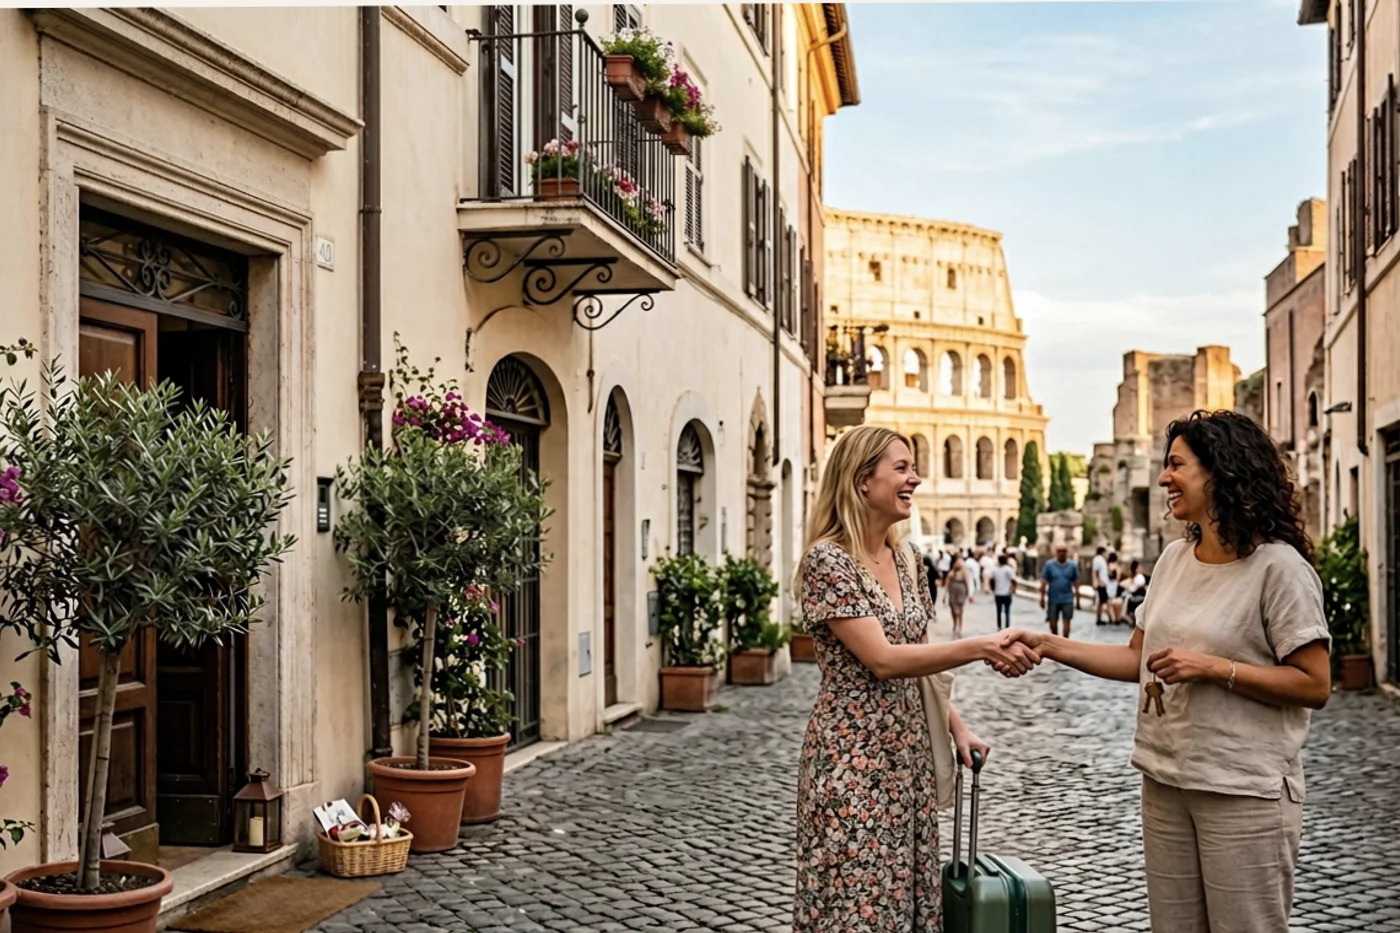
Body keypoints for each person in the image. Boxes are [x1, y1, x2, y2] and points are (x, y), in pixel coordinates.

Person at [1000, 410, 1331, 933]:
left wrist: (1212, 668)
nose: (1163, 478)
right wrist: (1050, 645)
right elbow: (1137, 658)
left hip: (1243, 788)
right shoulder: (1175, 559)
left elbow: (1314, 683)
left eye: (1176, 465)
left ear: (1221, 471)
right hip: (1164, 779)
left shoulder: (1280, 568)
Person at [794, 424, 1041, 932]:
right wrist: (981, 646)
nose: (916, 479)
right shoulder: (828, 561)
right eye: (902, 468)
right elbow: (884, 660)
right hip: (852, 758)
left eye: (914, 468)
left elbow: (920, 663)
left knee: (907, 894)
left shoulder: (907, 559)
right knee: (857, 901)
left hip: (910, 760)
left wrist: (957, 728)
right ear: (862, 480)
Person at [1039, 543, 1080, 638]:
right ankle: (1056, 638)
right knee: (1052, 622)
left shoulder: (1072, 566)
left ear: (1067, 552)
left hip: (1067, 599)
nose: (1062, 553)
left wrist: (1078, 599)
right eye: (1059, 551)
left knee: (1067, 621)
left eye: (1064, 551)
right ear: (1055, 552)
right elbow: (1043, 581)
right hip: (1053, 599)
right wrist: (1042, 598)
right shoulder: (1049, 565)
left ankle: (1065, 640)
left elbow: (1076, 583)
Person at [944, 553, 974, 638]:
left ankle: (960, 625)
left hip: (961, 591)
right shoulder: (952, 572)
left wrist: (969, 594)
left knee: (960, 608)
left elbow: (967, 582)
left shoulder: (964, 572)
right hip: (952, 592)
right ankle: (955, 623)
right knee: (953, 608)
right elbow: (947, 583)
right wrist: (945, 594)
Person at [989, 554, 1017, 631]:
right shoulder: (1008, 569)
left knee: (998, 611)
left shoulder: (994, 570)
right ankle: (1007, 626)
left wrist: (993, 589)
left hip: (998, 593)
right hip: (1007, 593)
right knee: (1007, 611)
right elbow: (1013, 580)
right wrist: (1014, 589)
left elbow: (991, 580)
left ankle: (999, 626)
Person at [1092, 545, 1111, 624]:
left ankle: (1100, 619)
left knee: (1101, 602)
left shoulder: (1101, 560)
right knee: (1102, 602)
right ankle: (1104, 619)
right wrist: (1098, 582)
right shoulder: (1098, 559)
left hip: (1102, 583)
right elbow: (1095, 572)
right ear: (1103, 552)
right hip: (1101, 584)